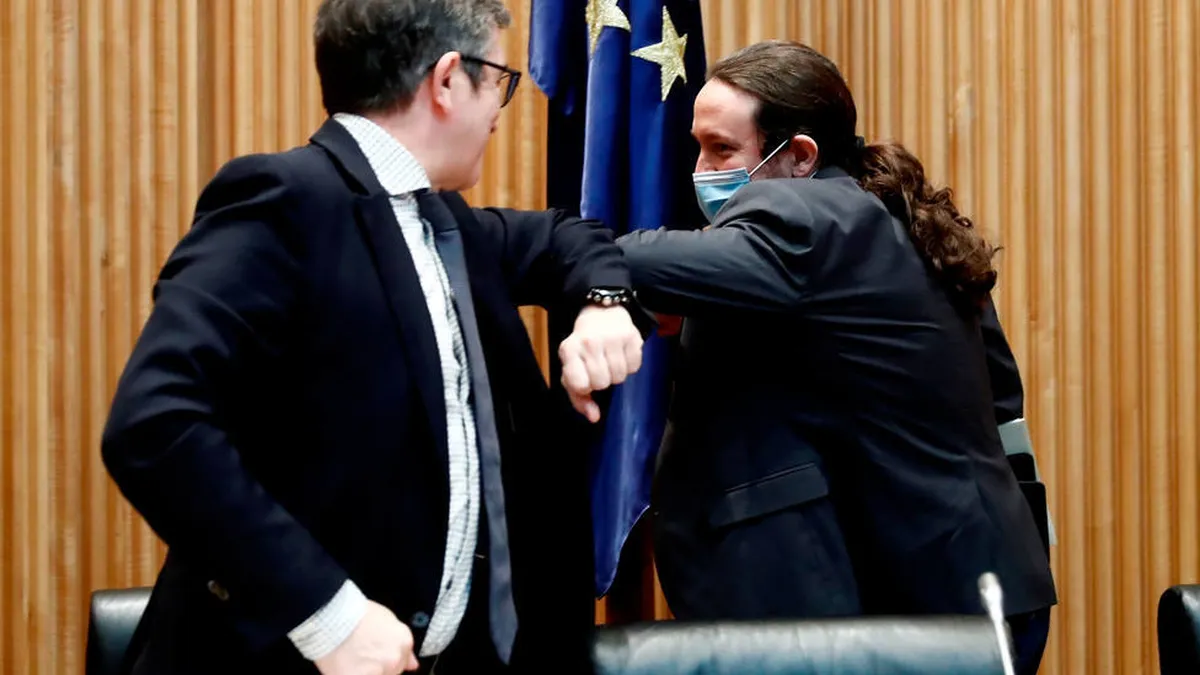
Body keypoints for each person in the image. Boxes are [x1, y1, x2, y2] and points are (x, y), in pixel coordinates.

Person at [100, 1, 651, 673]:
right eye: (498, 81)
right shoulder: (282, 201)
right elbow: (155, 424)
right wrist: (326, 614)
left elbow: (568, 238)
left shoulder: (443, 219)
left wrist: (603, 305)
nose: (498, 111)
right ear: (447, 81)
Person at [616, 40, 1056, 675]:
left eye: (722, 149)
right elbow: (1002, 404)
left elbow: (636, 257)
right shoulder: (891, 222)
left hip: (930, 609)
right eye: (698, 147)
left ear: (800, 156)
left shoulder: (804, 210)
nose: (701, 170)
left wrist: (565, 257)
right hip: (981, 578)